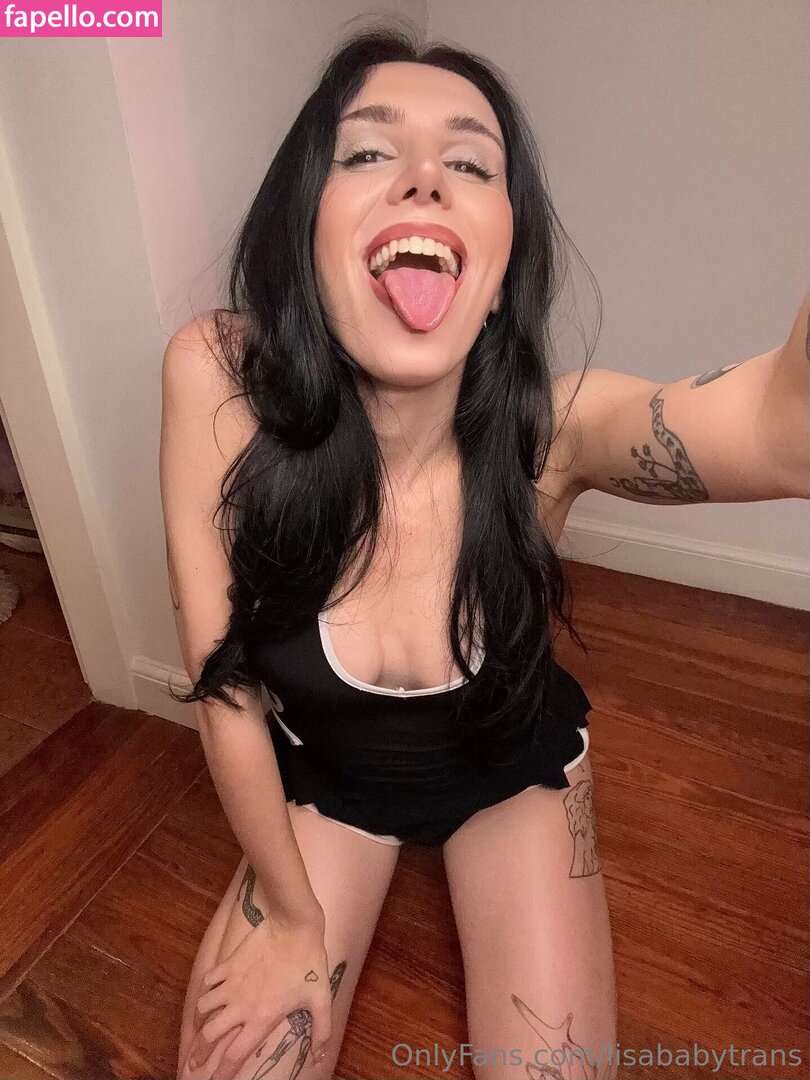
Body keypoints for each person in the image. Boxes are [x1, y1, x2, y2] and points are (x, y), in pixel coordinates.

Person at [159, 22, 809, 1080]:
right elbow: (221, 685)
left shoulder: (556, 434)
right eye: (369, 151)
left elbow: (790, 433)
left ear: (500, 272)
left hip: (511, 779)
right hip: (326, 785)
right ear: (307, 231)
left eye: (470, 164)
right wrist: (290, 914)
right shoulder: (218, 382)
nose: (425, 178)